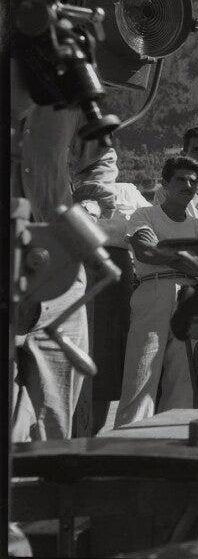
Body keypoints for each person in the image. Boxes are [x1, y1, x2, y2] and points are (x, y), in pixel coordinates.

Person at [12, 100, 117, 441]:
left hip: (60, 266)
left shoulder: (68, 82)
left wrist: (86, 207)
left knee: (56, 423)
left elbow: (101, 155)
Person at [114, 157, 198, 427]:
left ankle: (172, 441)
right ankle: (127, 443)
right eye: (181, 179)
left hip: (190, 300)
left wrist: (167, 252)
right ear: (165, 183)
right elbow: (146, 251)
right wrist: (188, 260)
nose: (188, 185)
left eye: (193, 181)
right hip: (153, 290)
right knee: (141, 373)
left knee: (184, 379)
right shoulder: (144, 215)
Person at [90, 182, 152, 434]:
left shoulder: (128, 190)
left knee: (105, 360)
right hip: (72, 269)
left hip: (115, 278)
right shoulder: (62, 183)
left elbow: (149, 226)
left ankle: (93, 433)